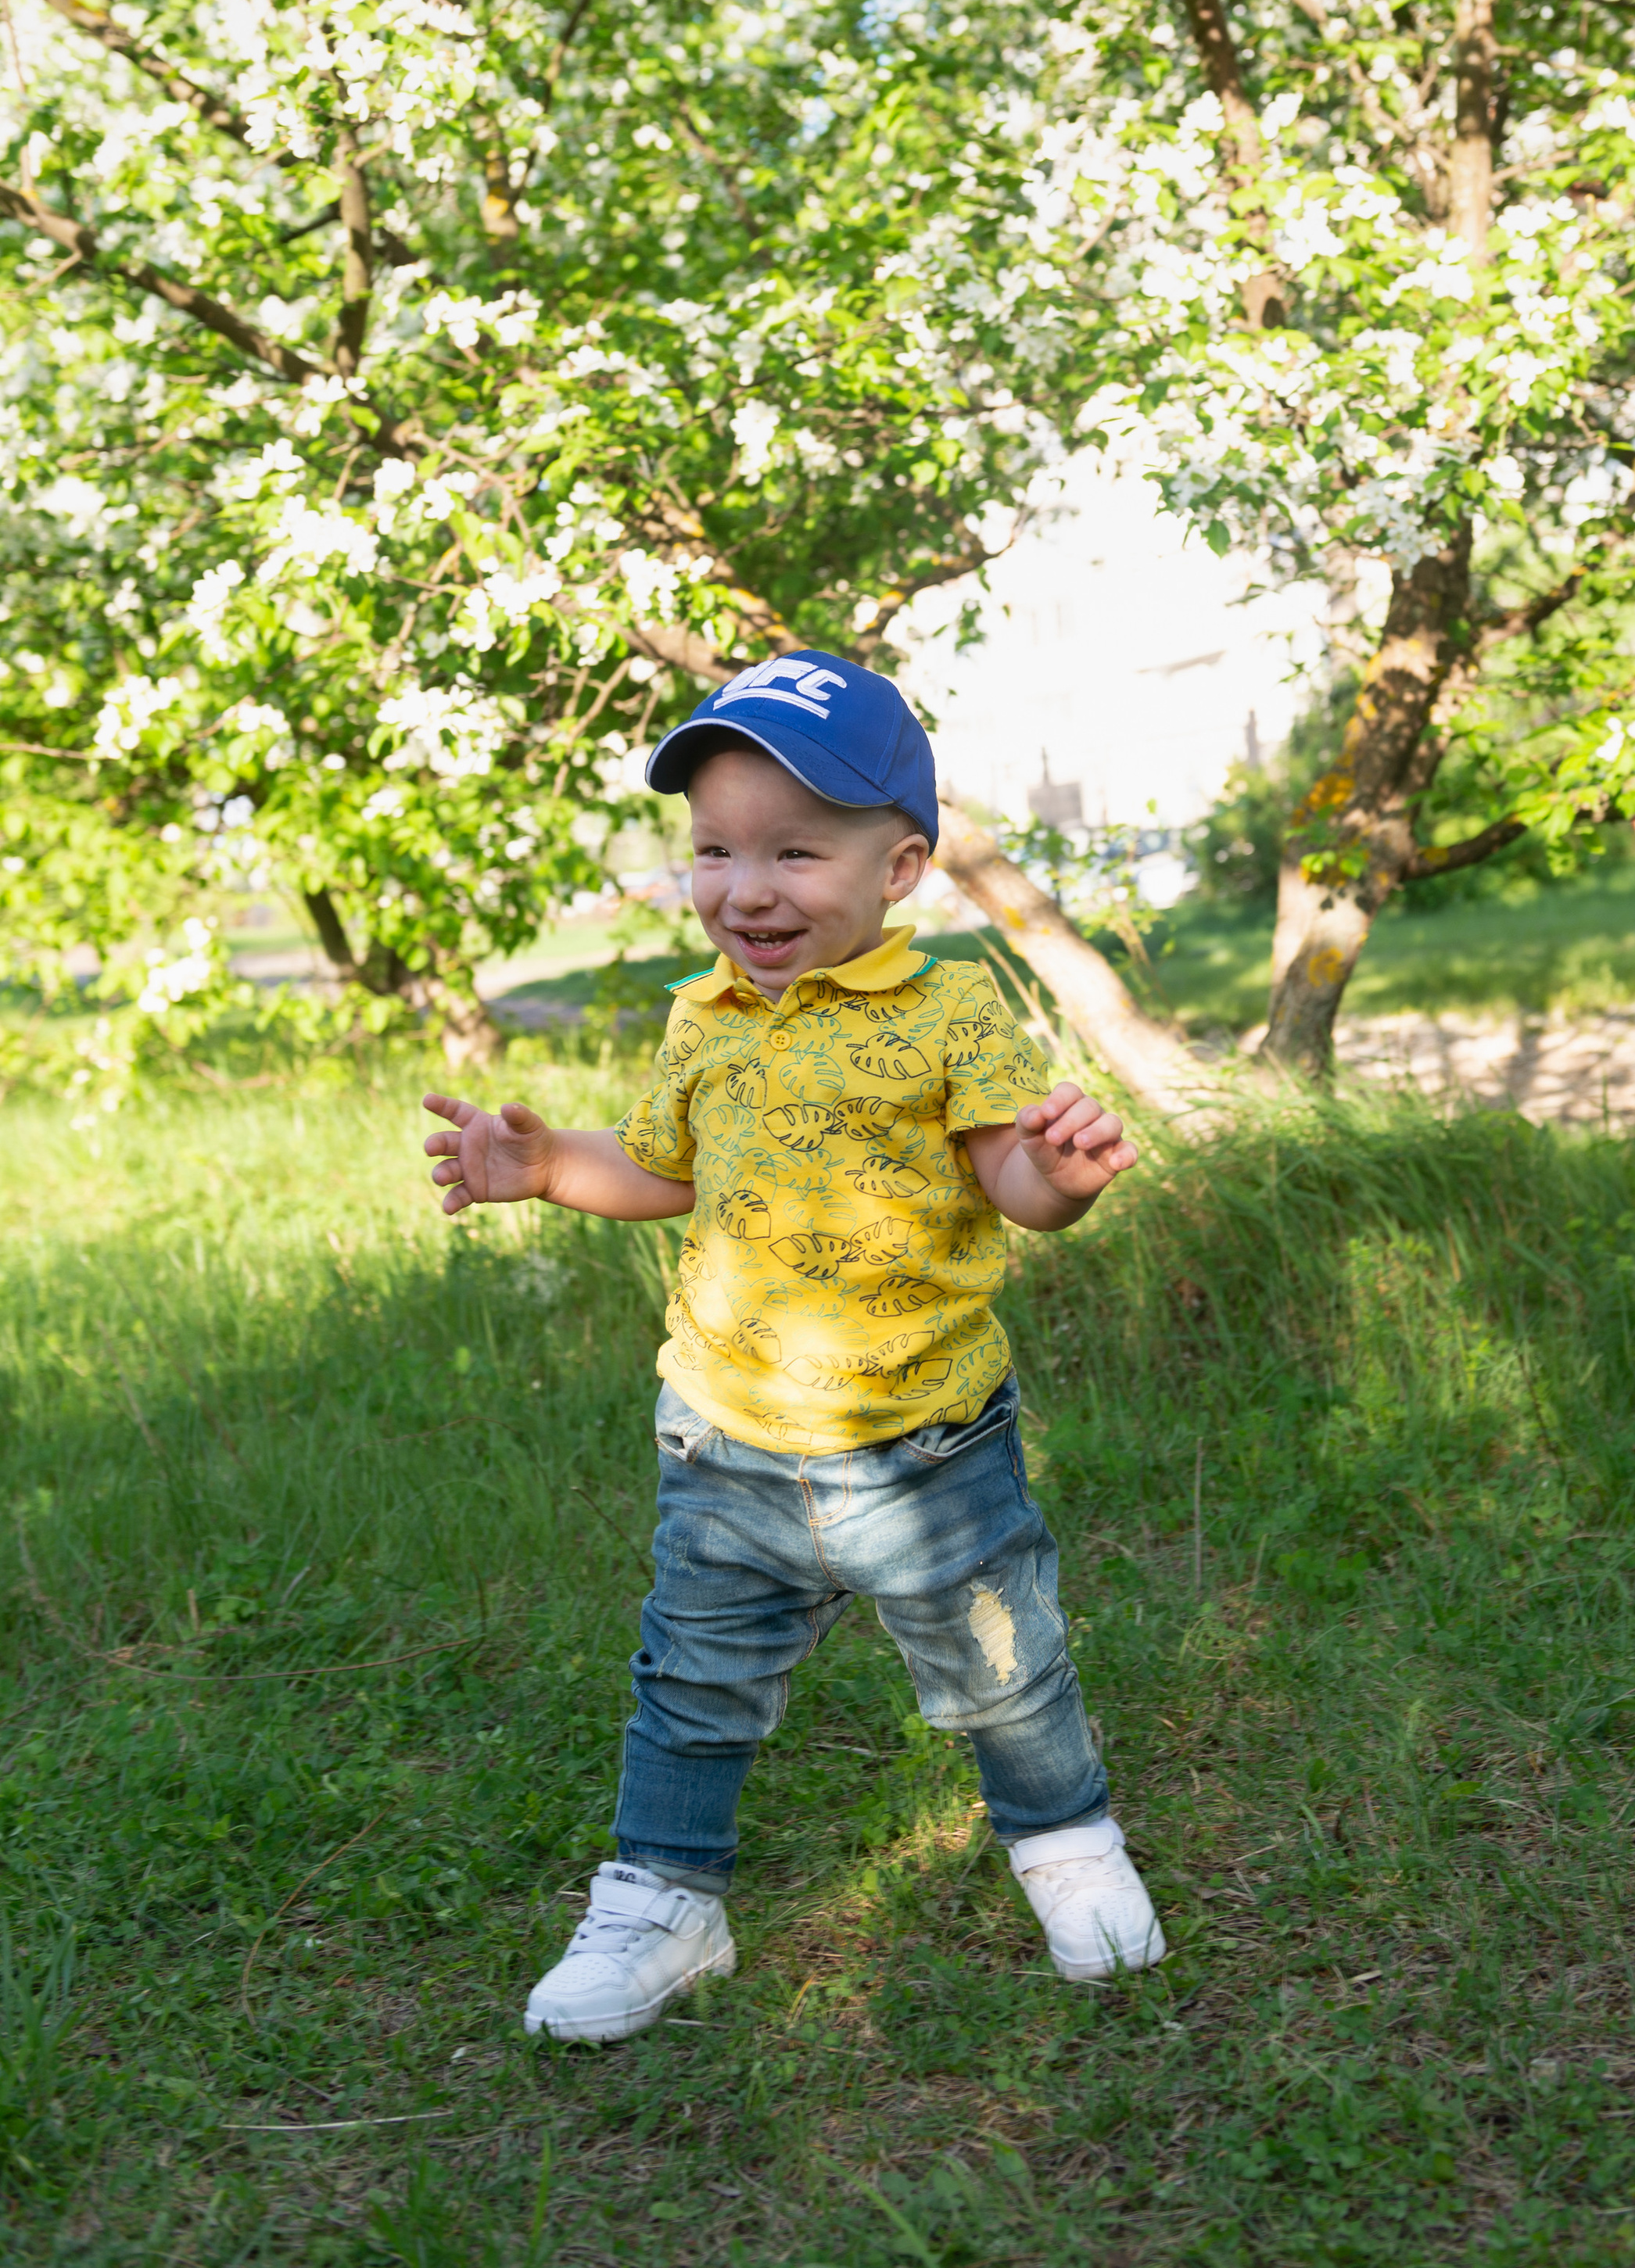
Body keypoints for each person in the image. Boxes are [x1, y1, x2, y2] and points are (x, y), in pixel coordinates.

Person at [422, 650, 1165, 2041]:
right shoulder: (700, 1014)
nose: (745, 887)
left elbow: (1012, 1183)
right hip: (726, 1438)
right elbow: (659, 1167)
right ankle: (664, 1900)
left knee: (1003, 1669)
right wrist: (537, 1165)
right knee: (690, 1686)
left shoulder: (946, 1012)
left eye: (794, 851)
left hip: (927, 1442)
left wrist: (1062, 1176)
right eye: (713, 849)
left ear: (899, 869)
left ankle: (1064, 1841)